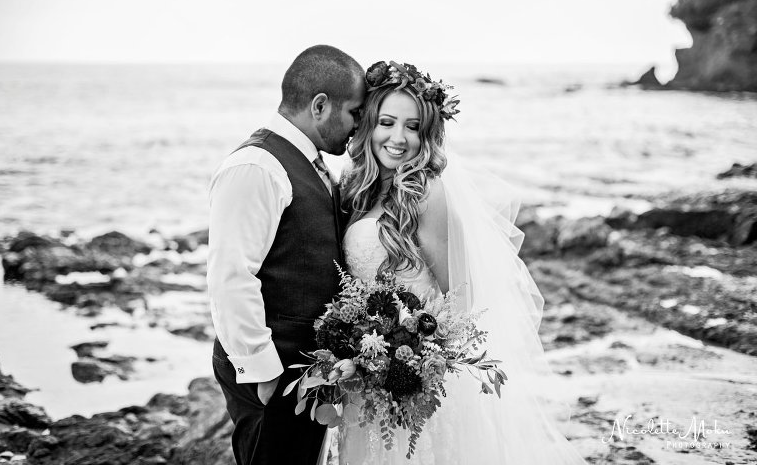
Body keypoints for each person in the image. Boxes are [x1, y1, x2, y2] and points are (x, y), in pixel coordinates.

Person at [337, 61, 587, 464]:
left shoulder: (425, 192)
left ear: (426, 134)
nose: (398, 138)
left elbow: (459, 294)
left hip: (415, 384)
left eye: (413, 126)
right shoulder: (356, 187)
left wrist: (414, 357)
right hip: (365, 375)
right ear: (368, 124)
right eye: (387, 122)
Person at [207, 44, 366, 465]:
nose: (358, 125)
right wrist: (263, 372)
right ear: (320, 106)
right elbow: (230, 276)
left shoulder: (311, 163)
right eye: (354, 112)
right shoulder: (257, 167)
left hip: (306, 373)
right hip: (272, 377)